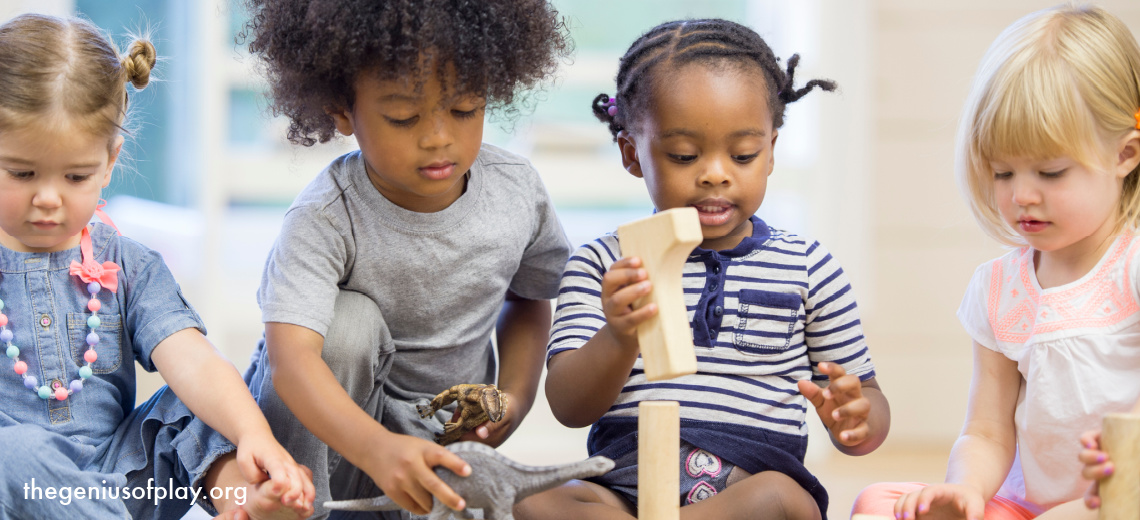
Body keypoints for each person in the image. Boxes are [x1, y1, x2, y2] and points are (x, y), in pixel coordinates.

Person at [513, 18, 890, 520]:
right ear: (632, 154)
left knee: (783, 499)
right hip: (624, 484)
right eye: (684, 155)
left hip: (746, 488)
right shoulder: (604, 264)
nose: (715, 172)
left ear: (772, 152)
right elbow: (569, 406)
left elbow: (865, 396)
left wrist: (856, 420)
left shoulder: (808, 267)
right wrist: (621, 335)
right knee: (530, 497)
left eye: (743, 154)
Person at [237, 0, 573, 518]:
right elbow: (290, 361)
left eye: (464, 109)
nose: (439, 137)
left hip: (443, 442)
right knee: (347, 326)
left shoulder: (517, 192)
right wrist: (376, 448)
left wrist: (516, 397)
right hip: (331, 446)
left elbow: (530, 298)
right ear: (341, 111)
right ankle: (303, 511)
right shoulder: (326, 215)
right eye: (403, 116)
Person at [0, 13, 315, 520]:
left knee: (201, 404)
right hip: (16, 485)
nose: (47, 198)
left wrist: (254, 434)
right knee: (10, 455)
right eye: (21, 172)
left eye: (77, 176)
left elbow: (192, 359)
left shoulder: (129, 265)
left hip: (123, 481)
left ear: (110, 161)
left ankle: (247, 498)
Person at [852, 4, 1140, 520]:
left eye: (1050, 172)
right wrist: (965, 489)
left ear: (1125, 155)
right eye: (1003, 172)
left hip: (1123, 500)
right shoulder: (999, 287)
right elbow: (986, 431)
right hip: (1032, 506)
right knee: (877, 505)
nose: (1022, 195)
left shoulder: (1132, 265)